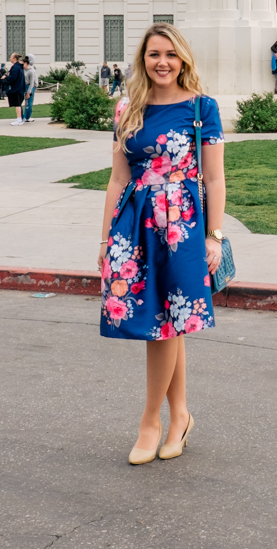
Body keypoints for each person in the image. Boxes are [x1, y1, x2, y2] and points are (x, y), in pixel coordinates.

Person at [98, 23, 225, 465]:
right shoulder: (127, 108)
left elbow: (213, 177)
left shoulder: (202, 108)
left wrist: (214, 235)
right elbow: (118, 178)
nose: (162, 62)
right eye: (154, 54)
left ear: (183, 58)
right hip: (134, 226)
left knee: (169, 324)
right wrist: (105, 237)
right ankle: (181, 417)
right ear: (143, 60)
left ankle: (149, 421)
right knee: (164, 322)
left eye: (170, 54)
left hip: (182, 228)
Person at [5, 53, 26, 124]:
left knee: (17, 104)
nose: (10, 58)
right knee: (18, 104)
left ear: (14, 58)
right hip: (19, 88)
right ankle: (19, 118)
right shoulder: (19, 67)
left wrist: (6, 78)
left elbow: (13, 78)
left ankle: (19, 119)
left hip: (16, 88)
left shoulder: (15, 67)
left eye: (11, 57)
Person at [22, 55, 39, 122]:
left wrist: (30, 90)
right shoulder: (27, 69)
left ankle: (27, 116)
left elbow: (33, 80)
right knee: (27, 102)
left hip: (30, 87)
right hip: (27, 86)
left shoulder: (31, 70)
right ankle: (25, 116)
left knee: (29, 102)